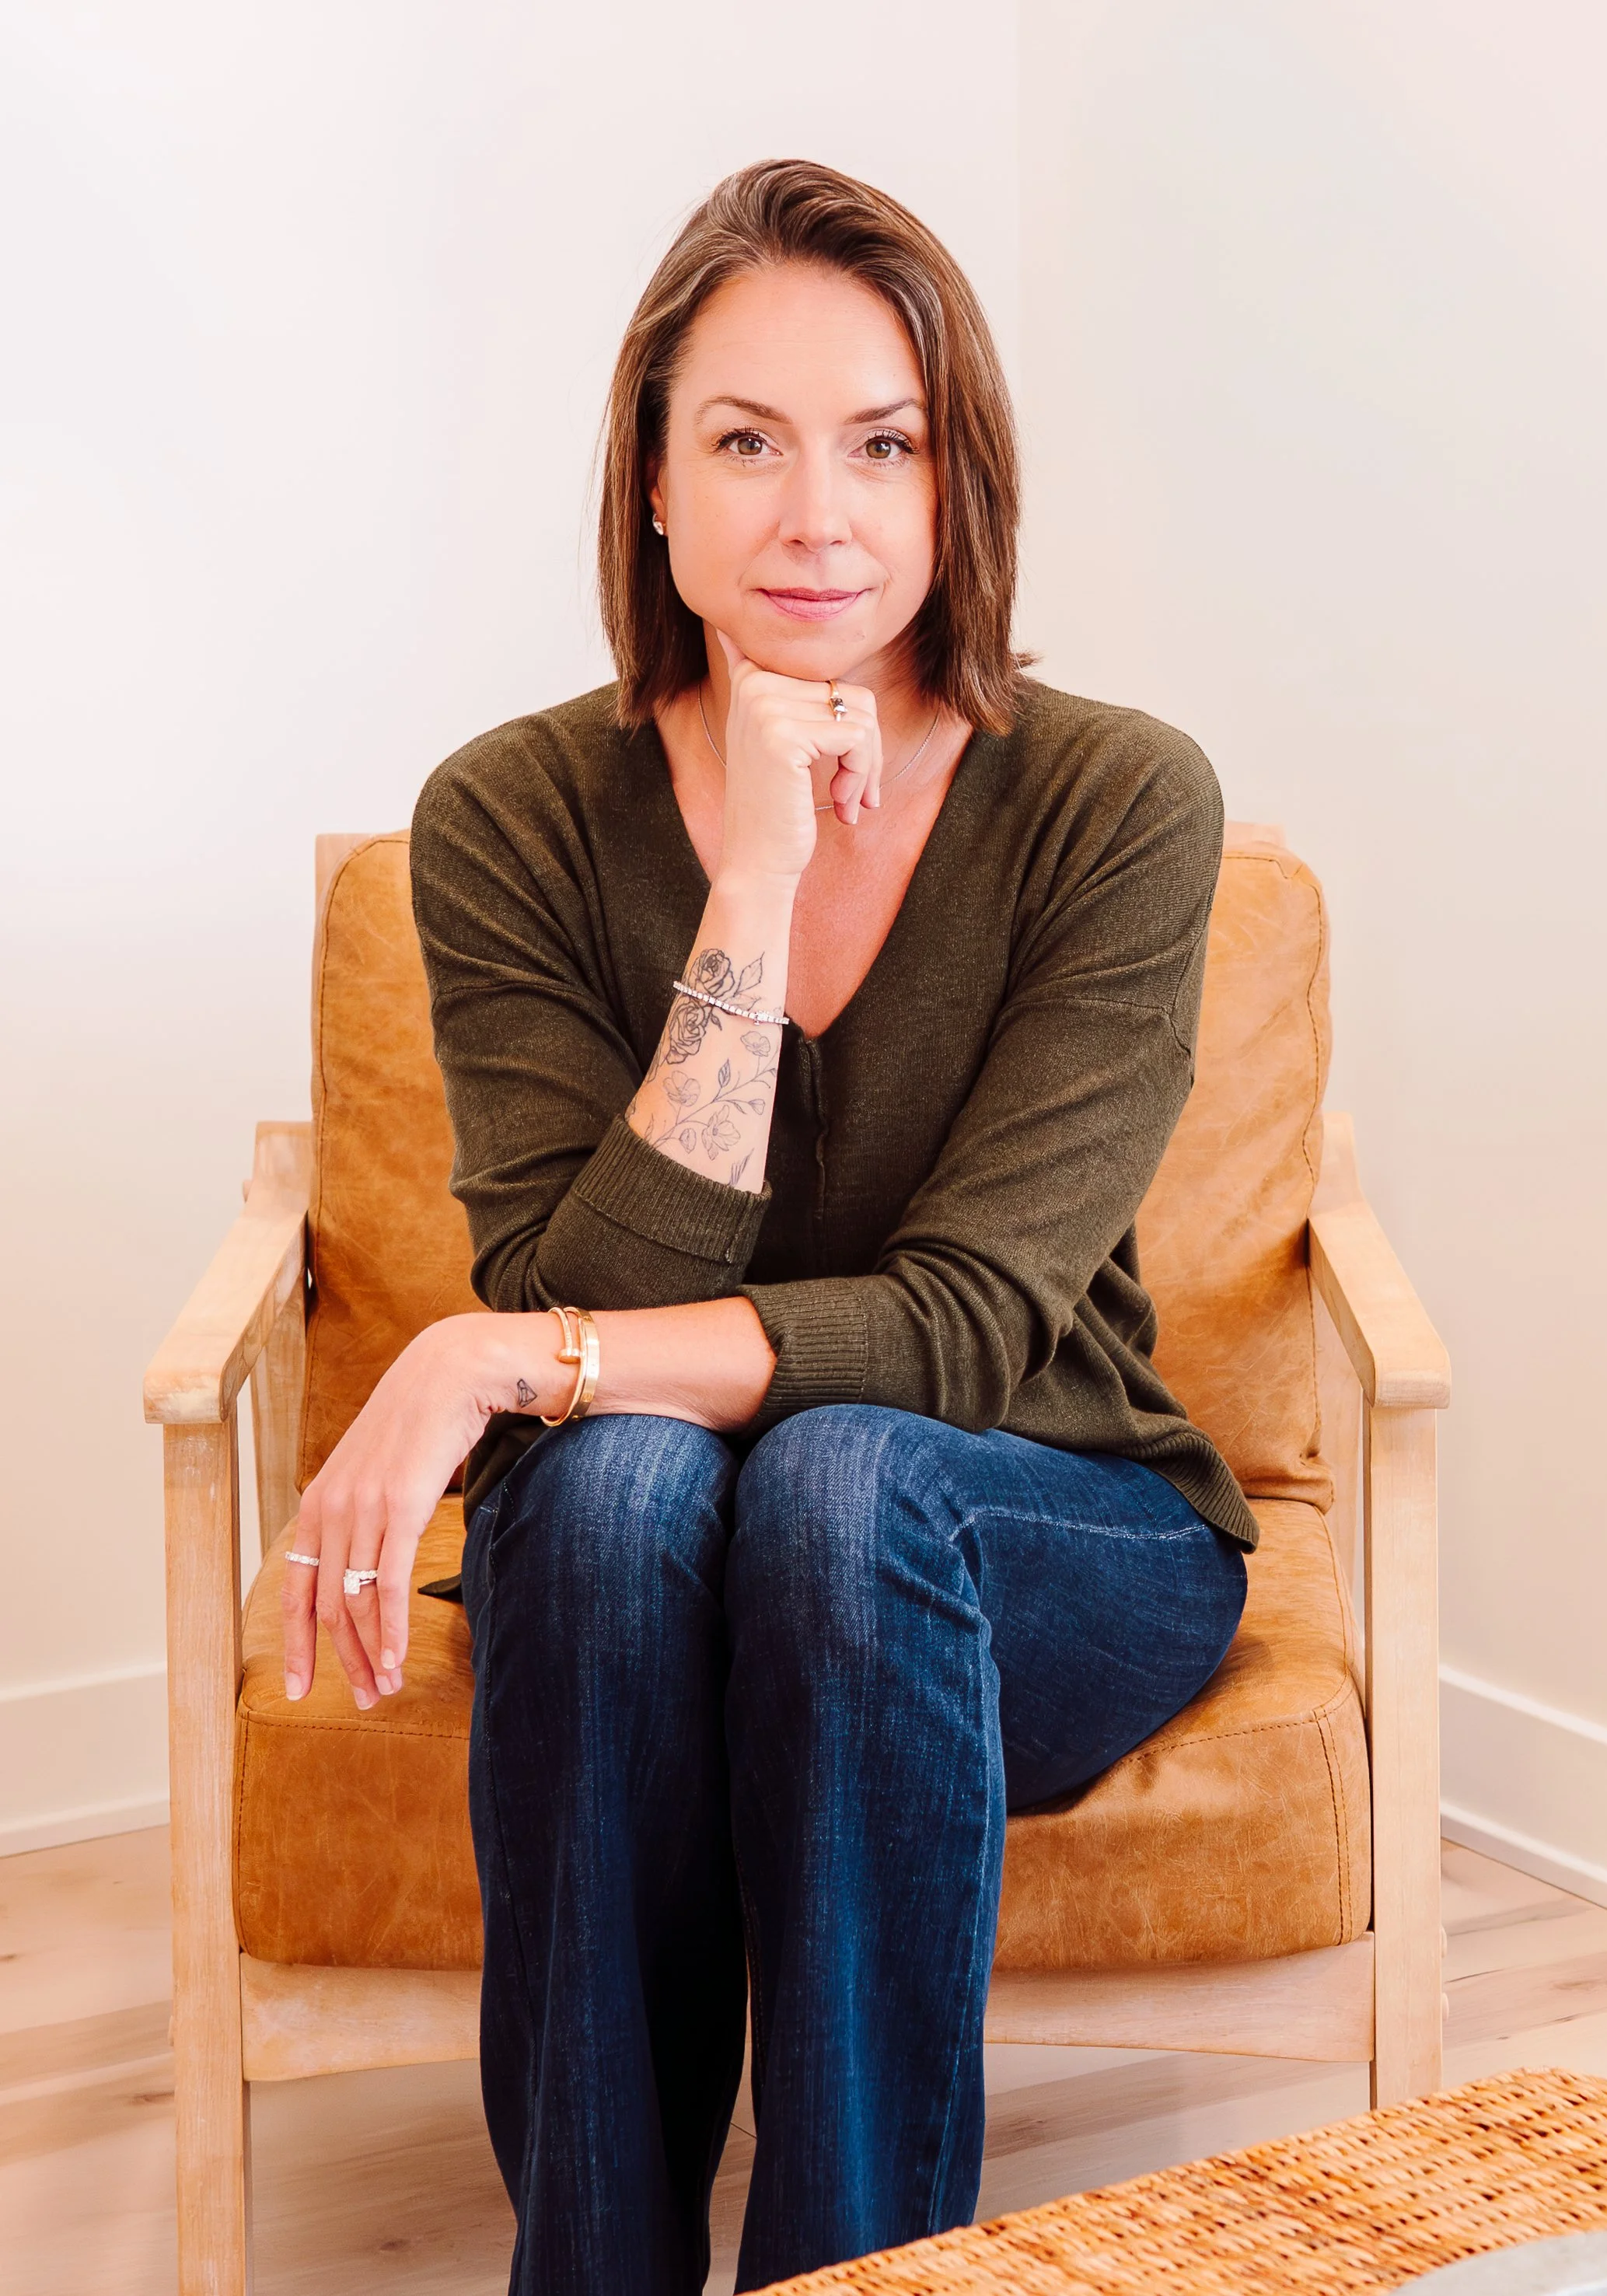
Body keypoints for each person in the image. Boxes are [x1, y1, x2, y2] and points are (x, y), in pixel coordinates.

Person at [281, 158, 1259, 2296]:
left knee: (828, 1489)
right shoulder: (515, 818)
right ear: (650, 483)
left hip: (1052, 1526)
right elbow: (590, 1281)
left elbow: (975, 1328)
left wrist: (495, 1358)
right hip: (651, 1553)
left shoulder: (1119, 800)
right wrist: (744, 888)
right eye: (744, 441)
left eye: (883, 443)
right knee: (626, 1493)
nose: (817, 515)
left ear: (956, 484)